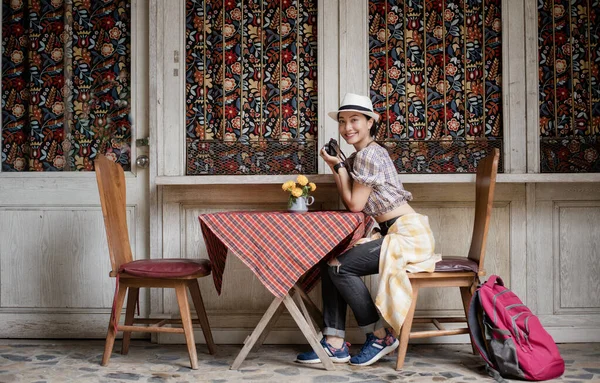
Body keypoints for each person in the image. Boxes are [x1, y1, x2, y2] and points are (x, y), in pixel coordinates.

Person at [296, 93, 439, 367]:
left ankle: (380, 336)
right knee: (331, 264)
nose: (347, 127)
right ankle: (335, 342)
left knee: (339, 267)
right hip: (396, 232)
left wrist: (336, 165)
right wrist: (339, 165)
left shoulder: (369, 155)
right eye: (342, 121)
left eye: (355, 120)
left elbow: (354, 204)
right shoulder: (361, 155)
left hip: (409, 235)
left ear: (371, 122)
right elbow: (355, 199)